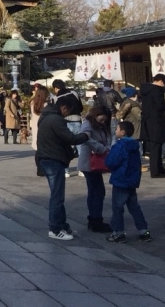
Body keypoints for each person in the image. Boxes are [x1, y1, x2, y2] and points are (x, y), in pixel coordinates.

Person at [35, 91, 90, 240]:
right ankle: (54, 228)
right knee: (57, 197)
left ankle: (63, 225)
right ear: (64, 107)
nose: (68, 115)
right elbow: (70, 137)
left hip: (46, 158)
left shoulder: (46, 116)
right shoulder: (56, 119)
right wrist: (86, 135)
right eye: (68, 111)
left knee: (58, 195)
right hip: (53, 159)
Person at [104, 120, 151, 243]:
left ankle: (118, 233)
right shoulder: (135, 146)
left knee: (118, 207)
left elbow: (110, 162)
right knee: (134, 206)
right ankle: (143, 231)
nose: (115, 131)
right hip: (132, 180)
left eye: (117, 129)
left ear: (122, 132)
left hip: (121, 179)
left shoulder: (119, 146)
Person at [78, 106, 113, 233]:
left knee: (94, 191)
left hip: (94, 163)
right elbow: (85, 138)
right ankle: (96, 220)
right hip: (89, 162)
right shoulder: (88, 124)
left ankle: (93, 219)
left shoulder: (99, 126)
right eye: (102, 119)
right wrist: (101, 148)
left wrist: (107, 147)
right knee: (98, 192)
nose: (103, 122)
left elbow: (106, 140)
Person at [140, 74, 165, 178]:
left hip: (148, 121)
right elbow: (159, 105)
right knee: (156, 147)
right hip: (157, 121)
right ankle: (155, 171)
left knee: (154, 146)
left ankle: (159, 168)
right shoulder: (157, 90)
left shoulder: (145, 90)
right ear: (161, 81)